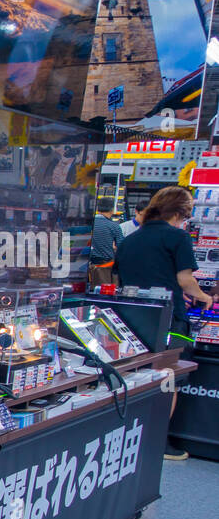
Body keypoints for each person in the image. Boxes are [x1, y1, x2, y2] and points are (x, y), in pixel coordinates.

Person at [114, 185, 214, 461]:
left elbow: (117, 280)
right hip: (169, 321)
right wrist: (205, 296)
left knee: (137, 380)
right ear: (182, 212)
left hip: (130, 321)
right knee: (169, 381)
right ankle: (158, 442)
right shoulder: (178, 237)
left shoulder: (129, 239)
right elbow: (185, 281)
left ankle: (129, 438)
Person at [89, 196, 122, 285]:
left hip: (86, 267)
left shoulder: (89, 223)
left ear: (97, 208)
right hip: (105, 269)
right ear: (112, 209)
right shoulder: (114, 226)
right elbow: (121, 248)